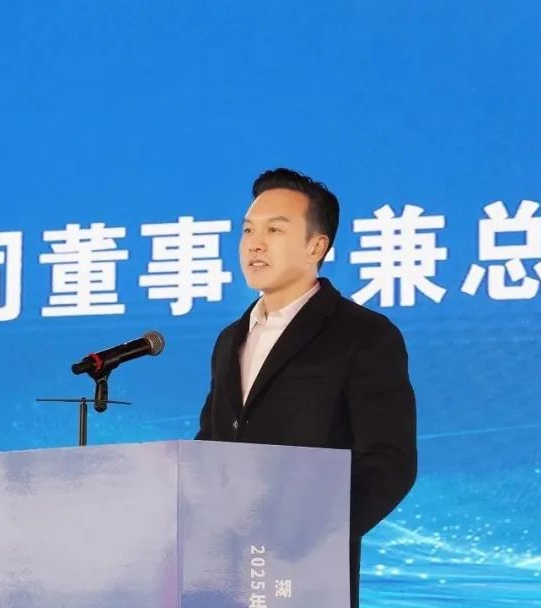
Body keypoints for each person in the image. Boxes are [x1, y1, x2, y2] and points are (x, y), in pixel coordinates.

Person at [195, 168, 417, 608]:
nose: (255, 244)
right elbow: (211, 445)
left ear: (316, 246)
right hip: (226, 575)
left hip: (307, 577)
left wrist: (314, 538)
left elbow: (389, 462)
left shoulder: (363, 334)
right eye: (248, 230)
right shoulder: (230, 339)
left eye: (275, 230)